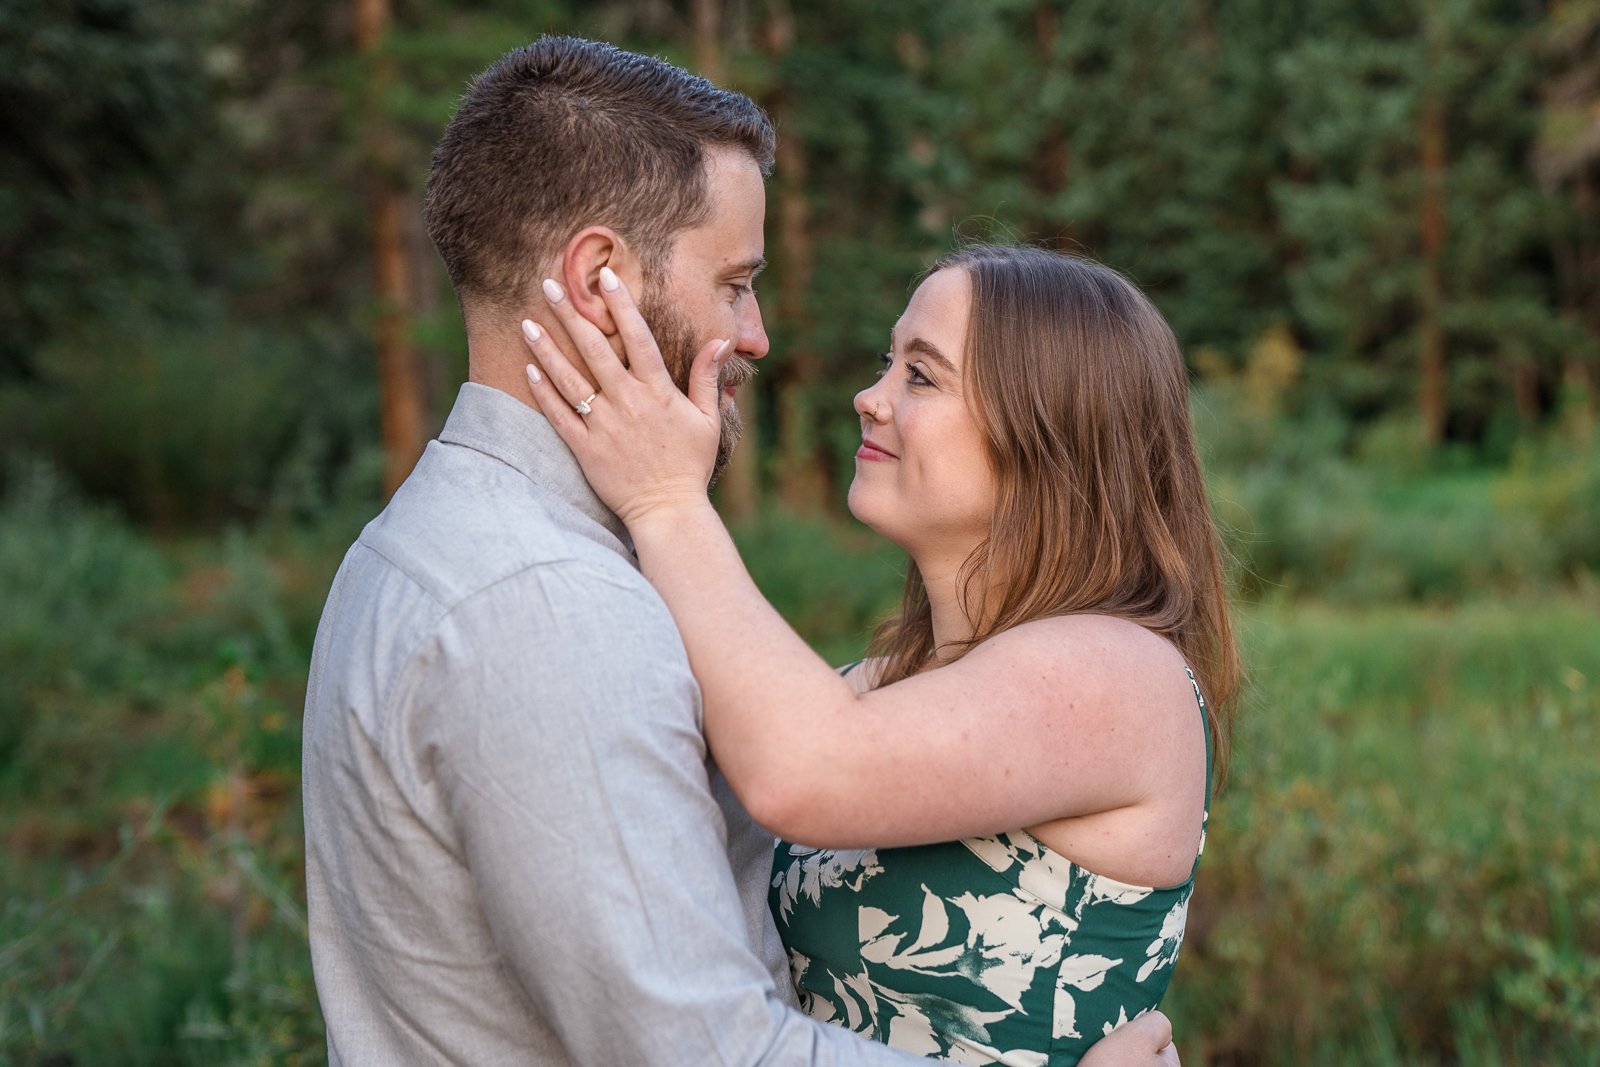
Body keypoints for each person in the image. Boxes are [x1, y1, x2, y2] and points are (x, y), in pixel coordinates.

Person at [301, 35, 1176, 1066]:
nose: (759, 335)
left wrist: (668, 509)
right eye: (734, 283)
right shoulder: (550, 603)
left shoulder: (429, 547)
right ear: (601, 282)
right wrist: (669, 500)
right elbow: (699, 1046)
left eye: (923, 375)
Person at [518, 243, 1239, 1064]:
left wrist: (664, 499)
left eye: (921, 376)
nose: (869, 398)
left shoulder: (1119, 675)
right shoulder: (883, 684)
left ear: (1051, 431)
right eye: (885, 363)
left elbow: (804, 772)